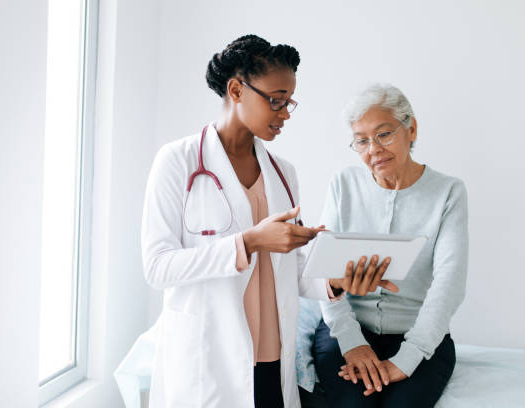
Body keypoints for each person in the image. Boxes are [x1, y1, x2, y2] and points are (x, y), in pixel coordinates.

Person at [121, 36, 397, 408]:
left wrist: (335, 279)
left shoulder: (284, 173)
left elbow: (289, 270)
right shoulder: (178, 161)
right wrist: (247, 242)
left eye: (289, 103)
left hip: (271, 356)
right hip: (209, 358)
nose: (284, 114)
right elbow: (158, 267)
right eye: (276, 100)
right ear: (236, 89)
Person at [311, 84, 468, 408]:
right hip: (346, 330)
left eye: (384, 134)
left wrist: (408, 358)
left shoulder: (449, 192)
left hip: (421, 336)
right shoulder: (343, 184)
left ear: (411, 129)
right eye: (362, 140)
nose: (374, 149)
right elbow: (323, 273)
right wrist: (353, 343)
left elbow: (449, 283)